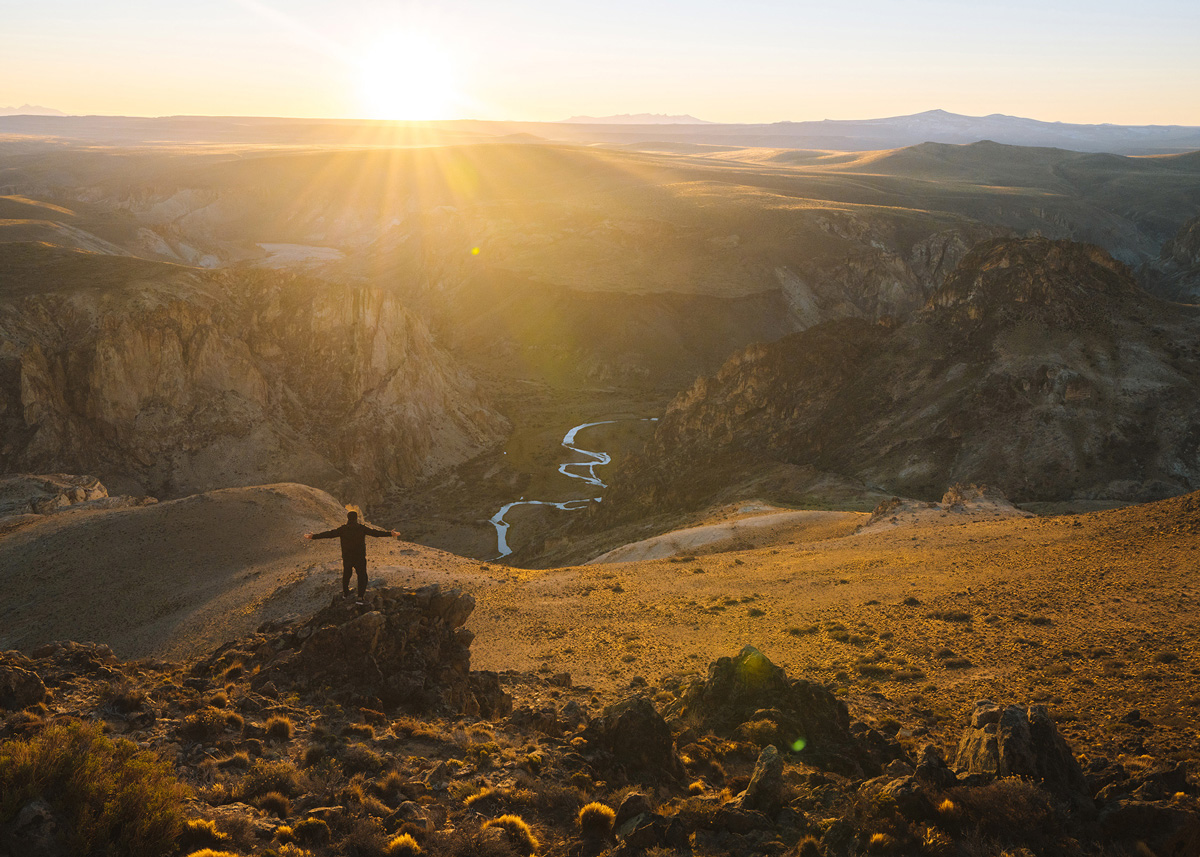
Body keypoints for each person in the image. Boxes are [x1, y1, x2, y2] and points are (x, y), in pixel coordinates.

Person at [305, 510, 400, 604]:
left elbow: (329, 534)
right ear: (356, 518)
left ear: (348, 518)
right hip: (359, 557)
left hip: (347, 557)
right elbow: (376, 533)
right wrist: (390, 534)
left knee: (346, 575)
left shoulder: (343, 529)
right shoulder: (361, 528)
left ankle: (345, 594)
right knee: (362, 576)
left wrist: (313, 536)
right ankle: (360, 598)